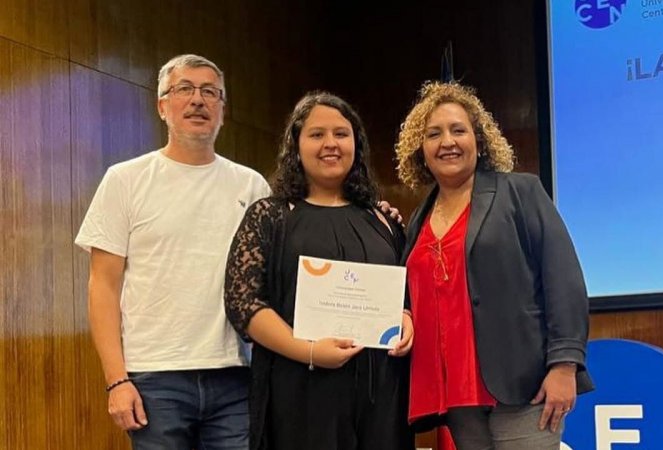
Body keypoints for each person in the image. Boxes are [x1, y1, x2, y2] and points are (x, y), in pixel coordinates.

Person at [75, 54, 271, 449]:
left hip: (235, 373)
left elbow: (275, 278)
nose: (198, 100)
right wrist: (116, 380)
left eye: (210, 92)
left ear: (222, 110)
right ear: (162, 106)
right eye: (184, 89)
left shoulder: (251, 186)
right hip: (154, 377)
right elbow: (103, 285)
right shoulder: (125, 180)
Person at [394, 81, 593, 450]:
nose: (447, 142)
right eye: (433, 134)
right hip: (456, 394)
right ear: (420, 150)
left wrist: (564, 365)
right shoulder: (418, 218)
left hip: (524, 385)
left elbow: (563, 279)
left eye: (458, 130)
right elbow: (411, 294)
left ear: (480, 140)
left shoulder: (520, 192)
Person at [224, 91, 415, 450]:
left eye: (341, 134)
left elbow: (407, 293)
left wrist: (406, 319)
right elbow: (244, 304)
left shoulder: (382, 219)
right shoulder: (269, 216)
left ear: (356, 144)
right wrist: (309, 351)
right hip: (300, 390)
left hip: (381, 395)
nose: (331, 143)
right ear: (296, 146)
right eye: (316, 134)